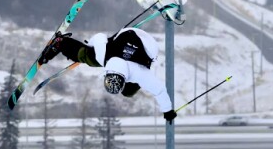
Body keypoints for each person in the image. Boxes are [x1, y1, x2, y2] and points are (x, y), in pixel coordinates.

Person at [39, 28, 178, 123]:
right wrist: (167, 111)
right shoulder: (139, 73)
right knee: (88, 58)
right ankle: (60, 43)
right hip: (138, 41)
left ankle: (63, 44)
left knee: (90, 57)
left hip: (141, 41)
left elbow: (99, 38)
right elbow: (159, 90)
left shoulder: (134, 71)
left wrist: (168, 111)